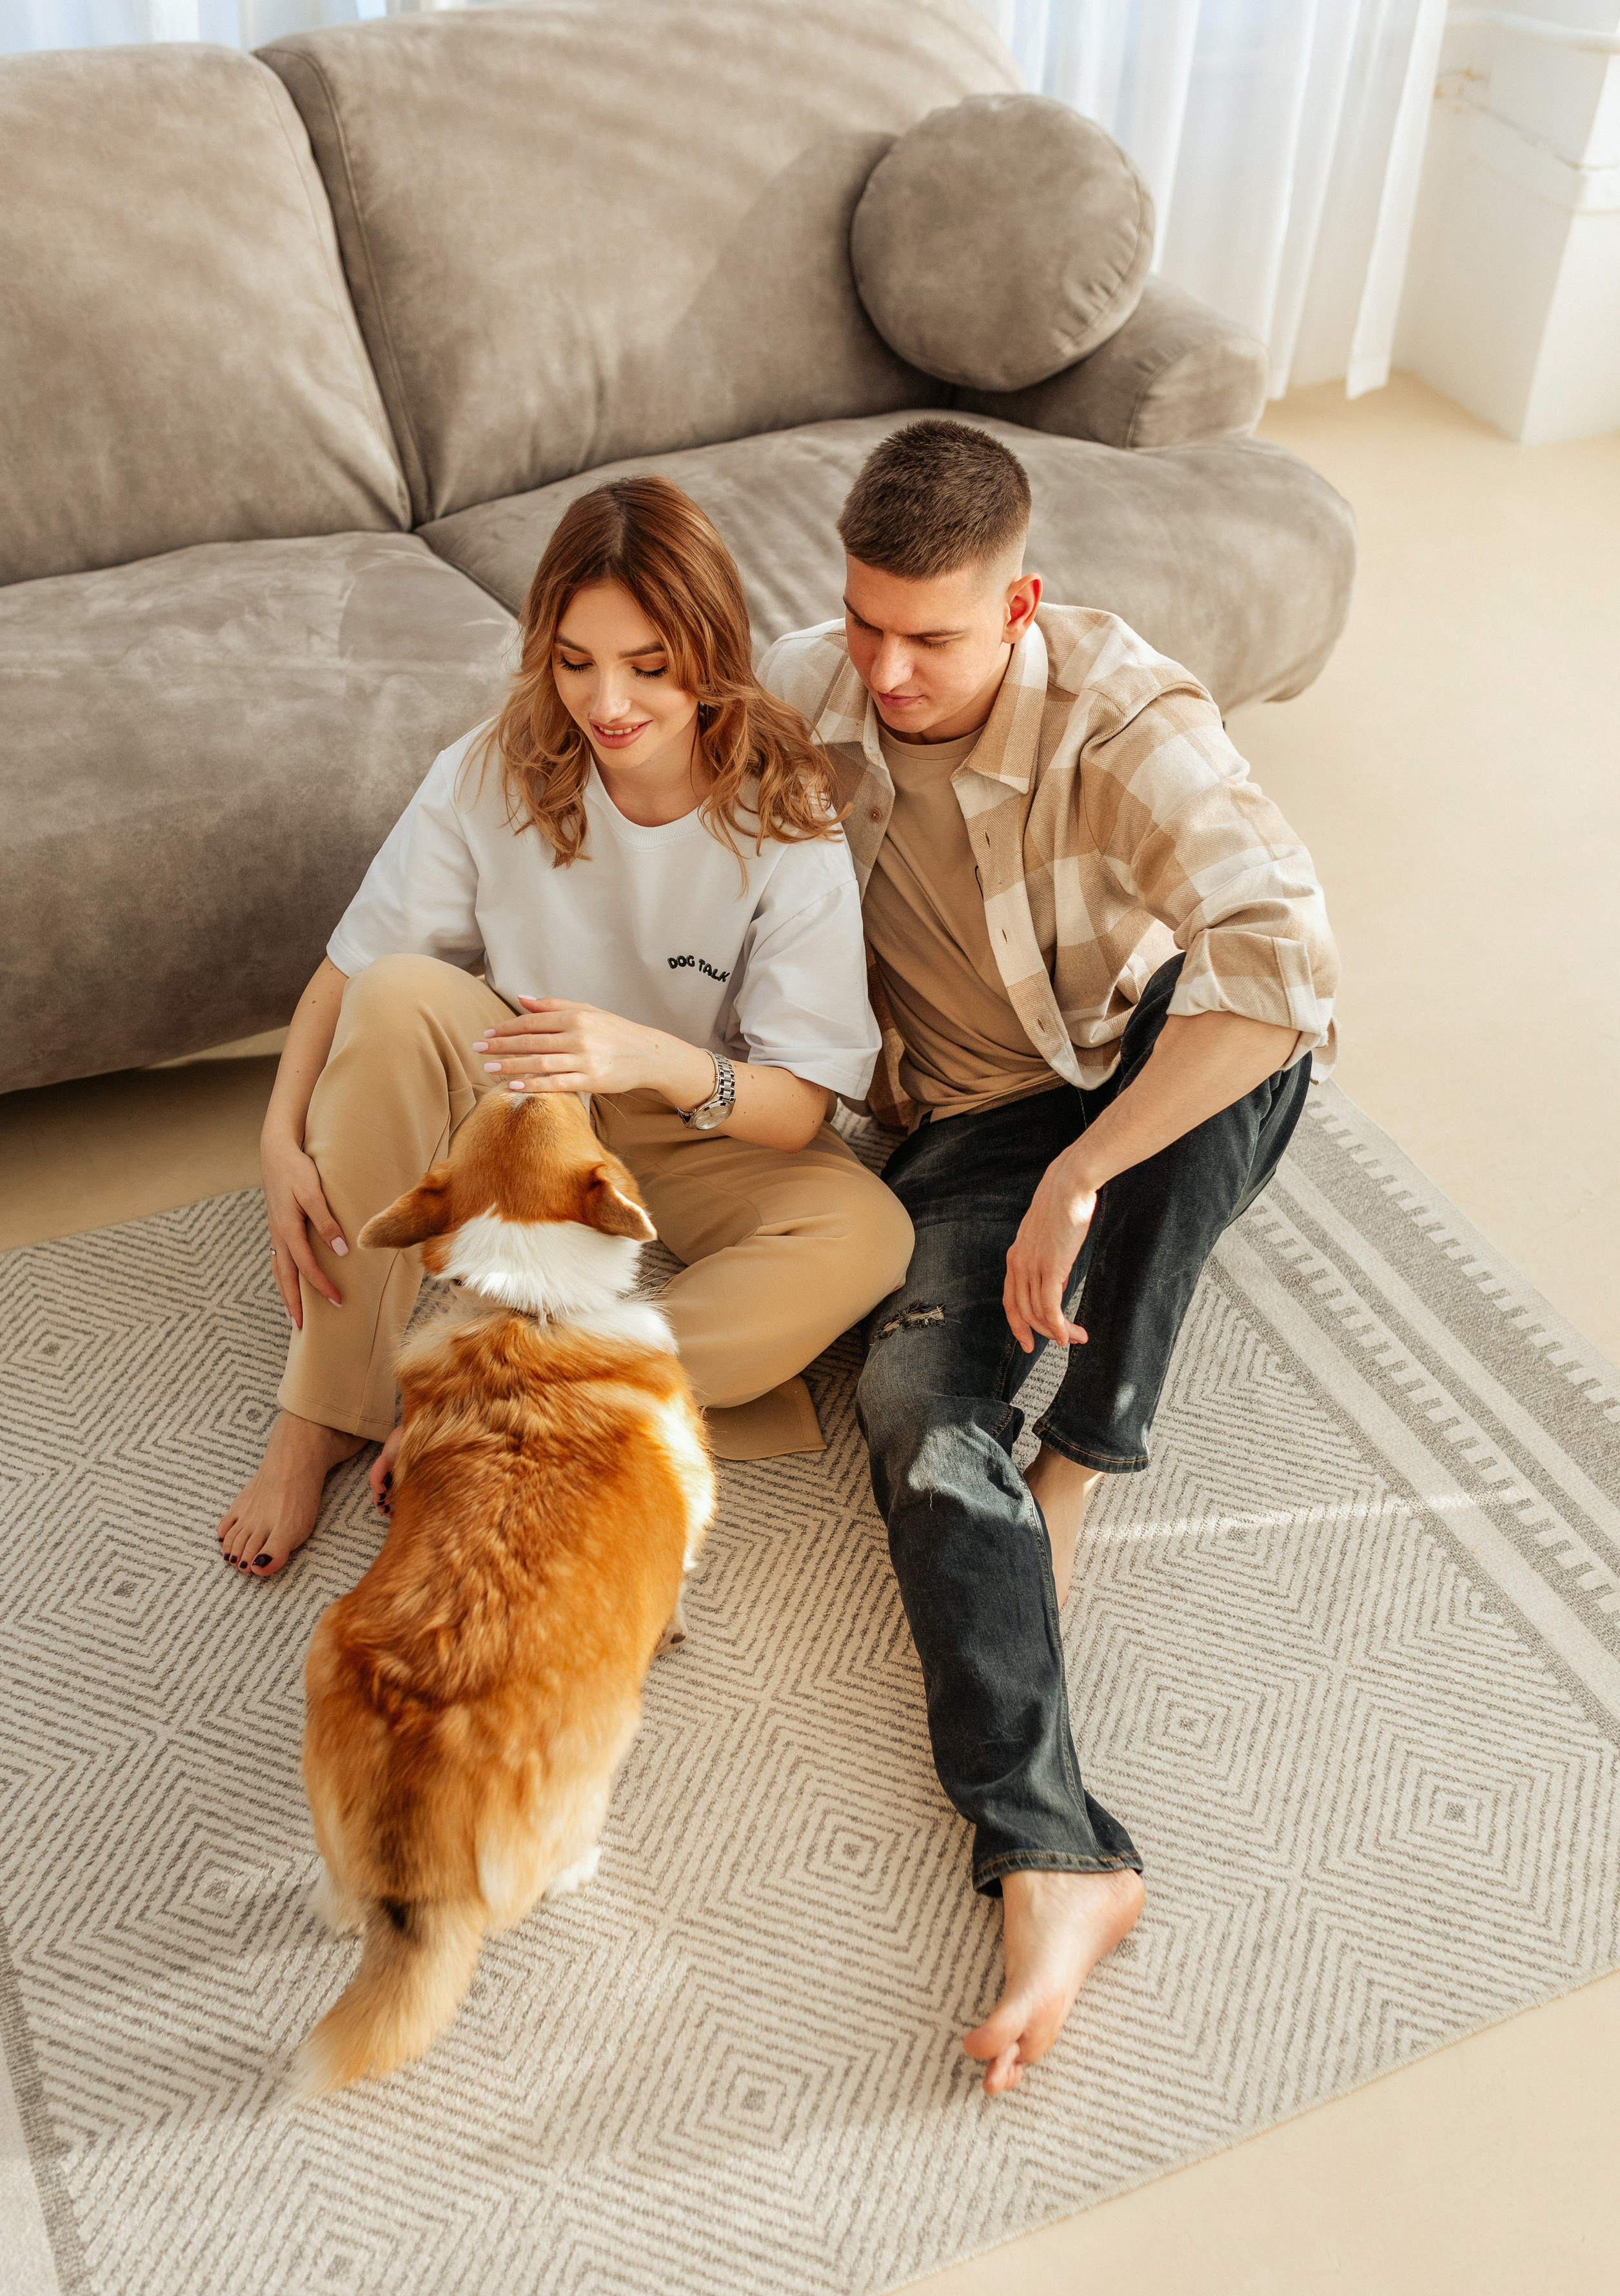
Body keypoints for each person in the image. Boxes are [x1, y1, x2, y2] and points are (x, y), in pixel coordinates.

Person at [761, 418, 1339, 2096]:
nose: (885, 667)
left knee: (1239, 1019)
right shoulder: (815, 687)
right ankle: (1055, 1855)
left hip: (1128, 1085)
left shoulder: (1121, 713)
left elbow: (1284, 956)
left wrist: (1089, 1167)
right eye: (863, 620)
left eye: (929, 634)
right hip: (954, 1137)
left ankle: (1083, 1451)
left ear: (1021, 603)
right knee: (917, 1431)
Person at [219, 477, 913, 1578]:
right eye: (577, 660)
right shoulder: (493, 767)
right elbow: (347, 974)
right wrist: (275, 1139)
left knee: (871, 1238)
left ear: (709, 653)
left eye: (648, 665)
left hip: (692, 1114)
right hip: (527, 1100)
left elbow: (797, 1109)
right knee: (399, 991)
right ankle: (325, 1412)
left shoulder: (786, 818)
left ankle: (528, 1387)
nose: (609, 702)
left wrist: (644, 1054)